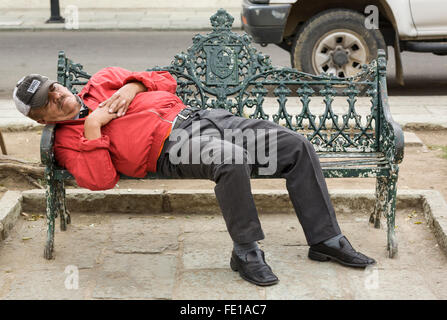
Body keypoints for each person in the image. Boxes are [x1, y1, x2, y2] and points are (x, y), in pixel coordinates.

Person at [13, 67, 376, 287]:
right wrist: (93, 126)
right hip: (171, 149)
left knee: (295, 145)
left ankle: (325, 239)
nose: (58, 96)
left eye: (54, 88)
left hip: (205, 120)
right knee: (231, 160)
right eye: (48, 101)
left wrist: (133, 86)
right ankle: (246, 251)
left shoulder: (103, 81)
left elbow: (165, 80)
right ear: (41, 118)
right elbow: (101, 179)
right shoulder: (67, 142)